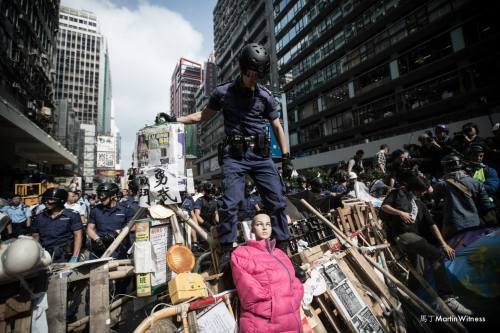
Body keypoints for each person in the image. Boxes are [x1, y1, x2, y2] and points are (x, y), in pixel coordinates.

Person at [159, 43, 292, 264]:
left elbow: (277, 127)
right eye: (249, 74)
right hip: (235, 156)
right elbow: (202, 116)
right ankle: (228, 252)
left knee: (277, 200)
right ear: (242, 69)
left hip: (260, 155)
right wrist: (175, 119)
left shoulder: (265, 96)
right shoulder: (223, 93)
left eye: (256, 76)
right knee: (231, 203)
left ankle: (283, 248)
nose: (252, 79)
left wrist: (286, 158)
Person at [380, 176, 472, 315]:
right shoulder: (398, 193)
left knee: (418, 272)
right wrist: (400, 213)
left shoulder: (420, 204)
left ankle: (410, 299)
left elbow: (432, 225)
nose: (423, 193)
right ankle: (447, 296)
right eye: (421, 190)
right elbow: (384, 207)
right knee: (436, 255)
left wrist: (444, 244)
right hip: (402, 236)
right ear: (414, 188)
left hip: (416, 238)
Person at [231, 213, 303, 332]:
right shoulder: (241, 254)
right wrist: (275, 307)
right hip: (264, 323)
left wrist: (295, 298)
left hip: (290, 318)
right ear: (252, 228)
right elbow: (248, 290)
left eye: (268, 224)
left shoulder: (279, 253)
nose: (264, 228)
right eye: (259, 224)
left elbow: (293, 280)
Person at [432, 155, 494, 235]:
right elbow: (486, 204)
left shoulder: (440, 185)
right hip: (476, 224)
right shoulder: (475, 182)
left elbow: (436, 205)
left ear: (445, 167)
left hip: (454, 228)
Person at [32, 188, 83, 263]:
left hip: (65, 257)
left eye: (50, 200)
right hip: (44, 257)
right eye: (45, 199)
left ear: (61, 201)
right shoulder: (39, 217)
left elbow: (78, 236)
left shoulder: (72, 215)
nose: (46, 202)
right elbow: (35, 238)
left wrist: (75, 256)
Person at [87, 183, 134, 257]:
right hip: (99, 249)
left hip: (118, 250)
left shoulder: (125, 209)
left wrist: (117, 232)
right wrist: (97, 240)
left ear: (113, 195)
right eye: (99, 195)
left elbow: (133, 226)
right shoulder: (95, 210)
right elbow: (90, 228)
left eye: (104, 196)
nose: (101, 199)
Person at [192, 182, 219, 252]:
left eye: (212, 193)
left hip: (211, 225)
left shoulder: (214, 201)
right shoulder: (200, 200)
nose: (210, 194)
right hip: (201, 225)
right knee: (205, 243)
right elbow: (197, 215)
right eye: (209, 192)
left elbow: (215, 214)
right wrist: (206, 225)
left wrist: (219, 223)